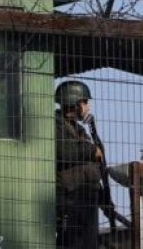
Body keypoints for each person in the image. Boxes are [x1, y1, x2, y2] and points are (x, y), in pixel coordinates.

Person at [55, 80, 103, 249]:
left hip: (87, 194)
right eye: (84, 102)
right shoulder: (56, 125)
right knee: (73, 242)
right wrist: (92, 151)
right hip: (70, 195)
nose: (87, 106)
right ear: (74, 103)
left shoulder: (79, 129)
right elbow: (64, 151)